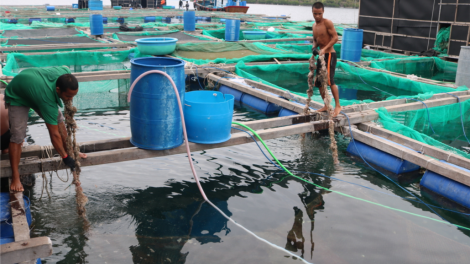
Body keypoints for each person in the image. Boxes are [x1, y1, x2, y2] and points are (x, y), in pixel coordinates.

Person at [4, 66, 87, 192]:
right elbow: (54, 135)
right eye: (68, 96)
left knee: (59, 120)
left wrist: (69, 153)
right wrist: (65, 158)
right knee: (17, 136)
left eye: (73, 96)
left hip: (33, 86)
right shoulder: (47, 102)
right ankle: (16, 177)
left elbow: (60, 125)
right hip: (18, 95)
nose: (71, 99)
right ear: (58, 89)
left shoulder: (65, 73)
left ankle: (70, 150)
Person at [311, 2, 341, 117]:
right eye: (315, 13)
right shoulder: (314, 26)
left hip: (329, 55)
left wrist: (325, 49)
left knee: (329, 80)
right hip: (321, 56)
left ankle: (338, 105)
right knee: (318, 82)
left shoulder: (327, 22)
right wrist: (314, 47)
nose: (317, 16)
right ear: (312, 12)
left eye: (319, 13)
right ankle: (326, 105)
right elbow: (315, 39)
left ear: (323, 12)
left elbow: (335, 38)